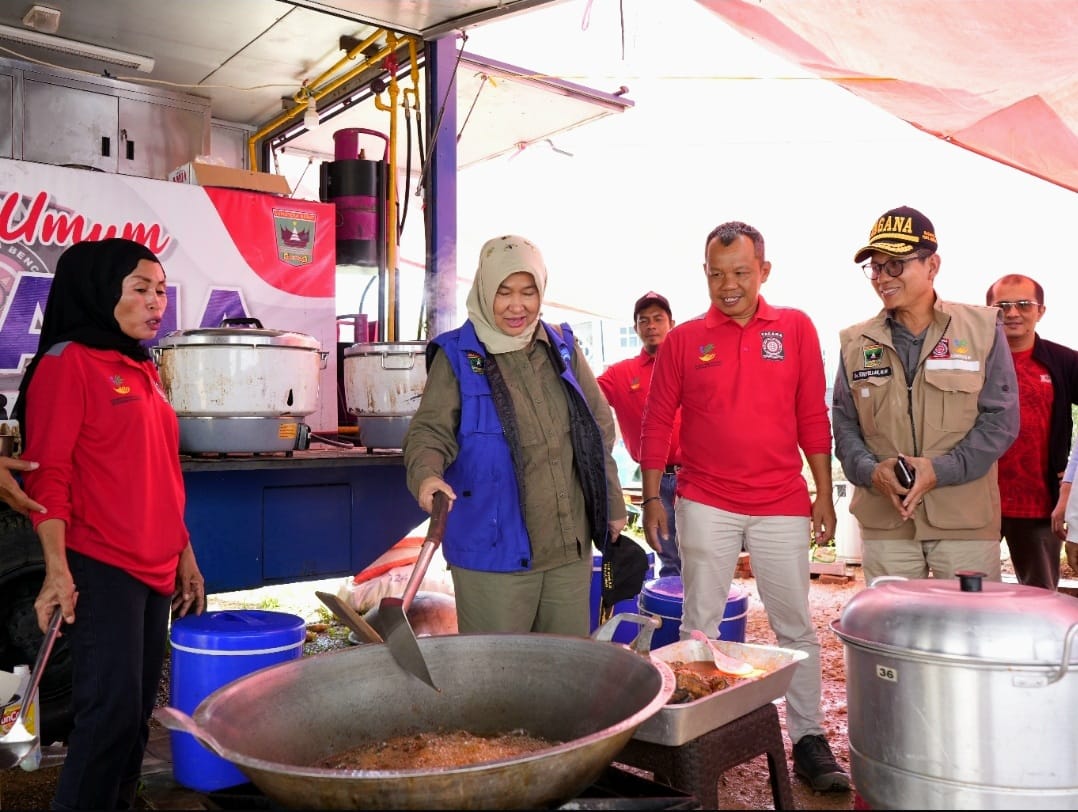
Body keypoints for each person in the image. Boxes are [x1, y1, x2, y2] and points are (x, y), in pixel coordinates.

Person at [639, 220, 848, 793]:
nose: (727, 285)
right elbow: (657, 419)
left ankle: (807, 738)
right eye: (716, 274)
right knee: (700, 626)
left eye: (739, 272)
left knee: (795, 626)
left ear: (764, 271)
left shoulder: (796, 328)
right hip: (705, 499)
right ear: (704, 273)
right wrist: (655, 497)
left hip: (782, 499)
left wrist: (824, 492)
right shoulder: (683, 340)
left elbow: (812, 413)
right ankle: (703, 737)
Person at [16, 238, 205, 811]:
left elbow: (160, 472)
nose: (157, 303)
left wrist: (184, 554)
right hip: (100, 568)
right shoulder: (67, 363)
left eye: (162, 291)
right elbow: (47, 478)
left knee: (133, 719)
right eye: (142, 289)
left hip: (152, 569)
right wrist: (55, 569)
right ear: (101, 291)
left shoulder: (139, 367)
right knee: (107, 719)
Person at [402, 234, 627, 636]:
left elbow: (598, 429)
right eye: (504, 292)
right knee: (499, 680)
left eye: (528, 292)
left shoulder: (562, 347)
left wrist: (609, 503)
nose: (517, 305)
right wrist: (427, 475)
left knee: (565, 673)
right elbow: (429, 432)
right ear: (484, 288)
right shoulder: (456, 355)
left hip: (567, 550)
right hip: (493, 555)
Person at [832, 206, 1019, 586]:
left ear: (932, 265)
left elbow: (1001, 421)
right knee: (891, 635)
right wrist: (872, 471)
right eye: (876, 267)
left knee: (968, 635)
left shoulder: (981, 328)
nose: (882, 277)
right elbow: (845, 425)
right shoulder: (855, 342)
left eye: (895, 265)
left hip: (963, 524)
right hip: (888, 521)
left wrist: (940, 470)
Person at [983, 275, 1078, 590]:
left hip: (1039, 504)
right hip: (976, 501)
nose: (1012, 313)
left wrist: (1070, 484)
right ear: (988, 311)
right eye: (1002, 306)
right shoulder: (972, 360)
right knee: (968, 596)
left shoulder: (1064, 362)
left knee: (1039, 600)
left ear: (1041, 311)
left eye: (1024, 305)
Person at [597, 291, 682, 577]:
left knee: (705, 557)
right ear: (636, 329)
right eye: (643, 320)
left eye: (658, 318)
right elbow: (582, 394)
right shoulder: (621, 374)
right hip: (655, 482)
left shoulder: (692, 365)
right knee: (669, 559)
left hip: (700, 476)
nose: (651, 325)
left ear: (672, 323)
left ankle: (709, 620)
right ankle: (674, 621)